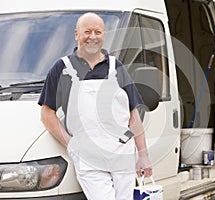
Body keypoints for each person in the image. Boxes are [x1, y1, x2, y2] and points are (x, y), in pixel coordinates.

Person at [38, 12, 152, 200]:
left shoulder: (117, 67)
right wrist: (71, 144)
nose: (92, 37)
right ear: (77, 34)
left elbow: (133, 116)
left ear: (104, 35)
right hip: (89, 158)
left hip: (122, 154)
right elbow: (46, 114)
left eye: (98, 32)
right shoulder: (62, 68)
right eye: (87, 31)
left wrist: (143, 155)